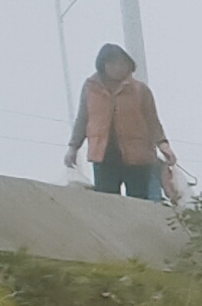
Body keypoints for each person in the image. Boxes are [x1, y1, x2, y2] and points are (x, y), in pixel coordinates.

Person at [65, 43, 167, 200]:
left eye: (122, 63)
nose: (118, 67)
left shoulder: (140, 90)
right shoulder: (90, 89)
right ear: (103, 65)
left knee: (138, 202)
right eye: (113, 63)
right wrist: (73, 147)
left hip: (137, 156)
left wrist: (163, 144)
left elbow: (152, 120)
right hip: (103, 155)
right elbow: (83, 119)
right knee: (107, 203)